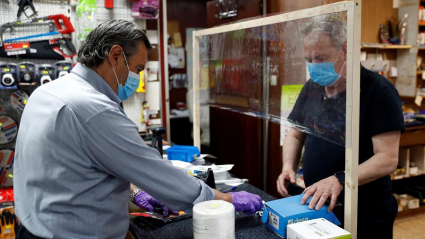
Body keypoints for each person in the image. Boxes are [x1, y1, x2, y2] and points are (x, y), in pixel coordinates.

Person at [14, 20, 263, 239]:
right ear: (115, 56)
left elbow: (74, 167)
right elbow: (158, 174)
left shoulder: (47, 91)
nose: (138, 78)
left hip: (31, 227)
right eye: (138, 69)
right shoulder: (95, 109)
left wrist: (134, 192)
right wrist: (226, 199)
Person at [276, 14, 404, 239]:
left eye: (321, 57)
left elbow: (387, 158)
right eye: (309, 58)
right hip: (320, 206)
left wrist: (340, 179)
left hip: (365, 212)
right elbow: (296, 134)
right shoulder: (312, 87)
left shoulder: (378, 91)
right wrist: (289, 166)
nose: (314, 66)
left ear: (346, 50)